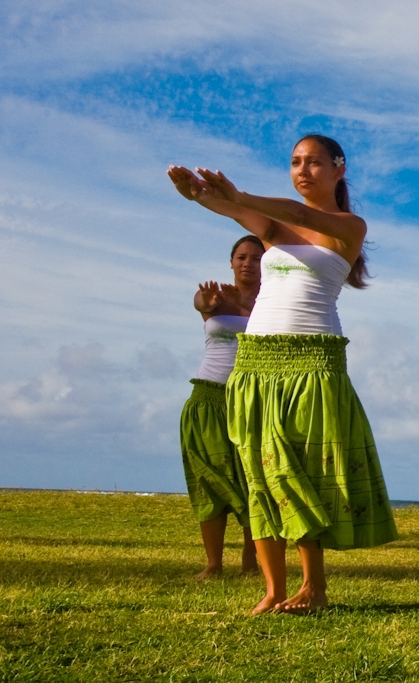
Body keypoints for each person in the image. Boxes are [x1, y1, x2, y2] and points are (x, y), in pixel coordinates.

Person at [166, 134, 396, 614]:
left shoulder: (347, 225)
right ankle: (273, 589)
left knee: (299, 471)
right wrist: (200, 196)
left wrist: (238, 196)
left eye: (313, 162)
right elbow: (236, 213)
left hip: (313, 360)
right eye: (294, 162)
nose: (302, 170)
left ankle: (313, 587)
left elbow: (303, 215)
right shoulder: (273, 226)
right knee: (259, 470)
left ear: (339, 168)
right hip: (255, 362)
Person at [182, 235, 263, 578]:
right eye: (241, 257)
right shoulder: (216, 297)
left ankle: (251, 562)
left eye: (256, 258)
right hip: (207, 396)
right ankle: (213, 564)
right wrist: (208, 301)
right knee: (208, 482)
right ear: (231, 262)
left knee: (253, 482)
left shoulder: (274, 302)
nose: (248, 263)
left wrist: (241, 308)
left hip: (250, 401)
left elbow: (272, 331)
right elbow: (202, 302)